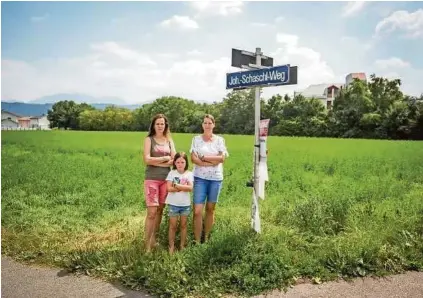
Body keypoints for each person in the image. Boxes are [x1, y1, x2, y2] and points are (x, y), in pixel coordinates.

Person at [190, 114, 229, 243]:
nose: (207, 125)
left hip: (215, 179)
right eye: (205, 123)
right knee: (197, 211)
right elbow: (194, 159)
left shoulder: (220, 140)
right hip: (200, 178)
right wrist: (212, 160)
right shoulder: (196, 139)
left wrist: (204, 157)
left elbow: (222, 158)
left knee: (210, 209)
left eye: (209, 123)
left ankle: (206, 238)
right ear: (202, 125)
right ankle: (196, 240)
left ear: (214, 125)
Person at [143, 114, 176, 252]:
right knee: (151, 212)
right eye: (157, 124)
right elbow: (147, 159)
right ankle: (147, 245)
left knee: (160, 210)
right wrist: (164, 158)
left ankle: (154, 239)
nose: (160, 126)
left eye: (162, 124)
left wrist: (158, 161)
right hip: (152, 179)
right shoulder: (149, 140)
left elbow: (174, 160)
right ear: (153, 125)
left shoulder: (169, 140)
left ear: (165, 125)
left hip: (165, 180)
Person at [165, 152, 194, 254]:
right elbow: (168, 188)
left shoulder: (189, 174)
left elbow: (190, 188)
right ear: (174, 163)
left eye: (182, 162)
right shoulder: (172, 173)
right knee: (172, 226)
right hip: (173, 204)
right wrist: (182, 187)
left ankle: (182, 246)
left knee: (183, 225)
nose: (180, 164)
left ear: (186, 163)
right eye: (178, 162)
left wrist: (177, 186)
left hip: (185, 204)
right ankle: (171, 246)